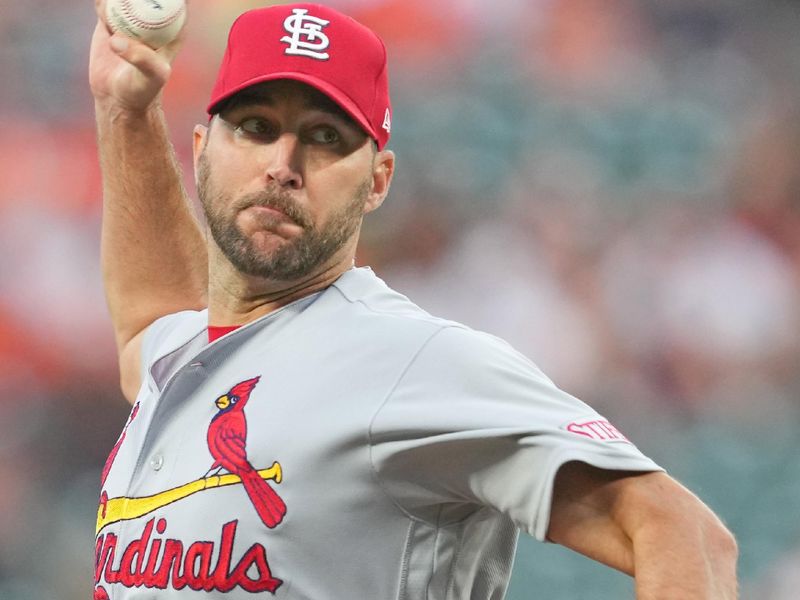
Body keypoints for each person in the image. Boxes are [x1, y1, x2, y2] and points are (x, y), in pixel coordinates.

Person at [89, 2, 738, 598]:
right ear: (202, 150)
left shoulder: (412, 361)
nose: (283, 163)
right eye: (256, 127)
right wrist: (127, 114)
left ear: (377, 181)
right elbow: (151, 322)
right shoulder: (183, 354)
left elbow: (685, 534)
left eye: (325, 138)